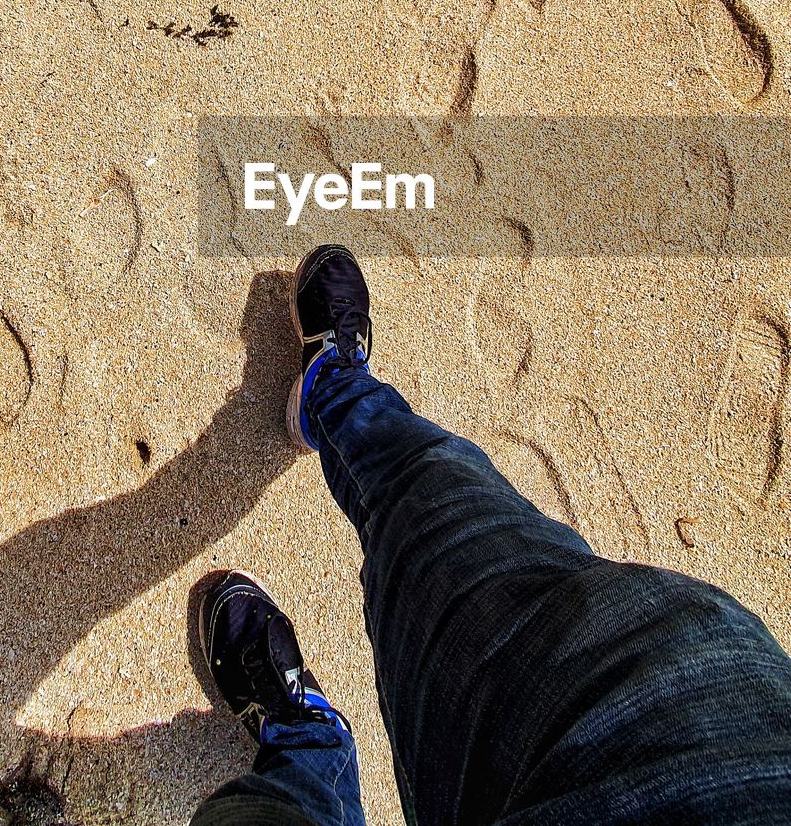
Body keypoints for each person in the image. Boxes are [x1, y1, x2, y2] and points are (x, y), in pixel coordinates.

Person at [191, 245, 791, 826]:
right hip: (738, 743)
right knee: (440, 508)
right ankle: (332, 390)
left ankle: (304, 742)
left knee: (438, 525)